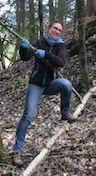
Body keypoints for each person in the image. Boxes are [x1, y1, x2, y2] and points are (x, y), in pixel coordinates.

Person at [12, 19, 77, 166]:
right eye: (55, 28)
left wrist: (46, 55)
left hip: (51, 84)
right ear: (49, 28)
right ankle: (17, 151)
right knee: (28, 115)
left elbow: (61, 62)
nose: (57, 32)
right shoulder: (39, 42)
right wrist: (23, 48)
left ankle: (65, 112)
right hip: (35, 84)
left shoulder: (61, 45)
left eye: (59, 30)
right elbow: (25, 57)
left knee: (66, 84)